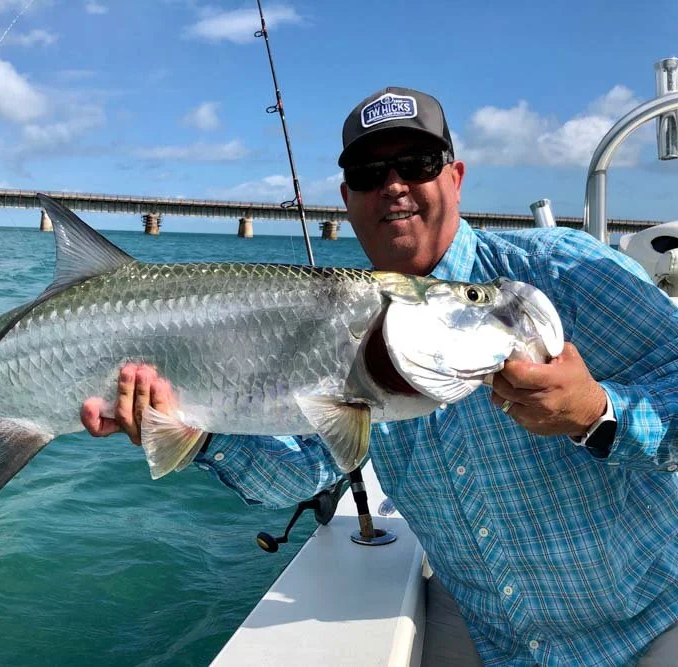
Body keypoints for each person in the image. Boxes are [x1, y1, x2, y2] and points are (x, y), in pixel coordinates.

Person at [81, 86, 678, 666]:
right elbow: (303, 472)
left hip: (653, 621)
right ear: (347, 197)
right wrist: (193, 427)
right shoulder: (344, 322)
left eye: (417, 164)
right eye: (369, 174)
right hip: (494, 637)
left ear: (455, 177)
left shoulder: (559, 272)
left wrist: (597, 414)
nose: (394, 185)